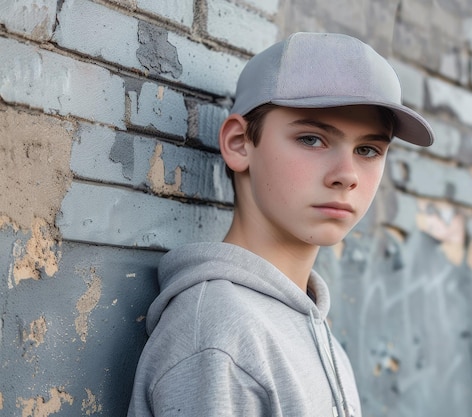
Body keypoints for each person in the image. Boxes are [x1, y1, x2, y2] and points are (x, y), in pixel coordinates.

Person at [127, 32, 434, 417]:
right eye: (312, 139)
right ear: (240, 143)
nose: (347, 175)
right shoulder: (218, 335)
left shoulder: (310, 326)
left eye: (368, 150)